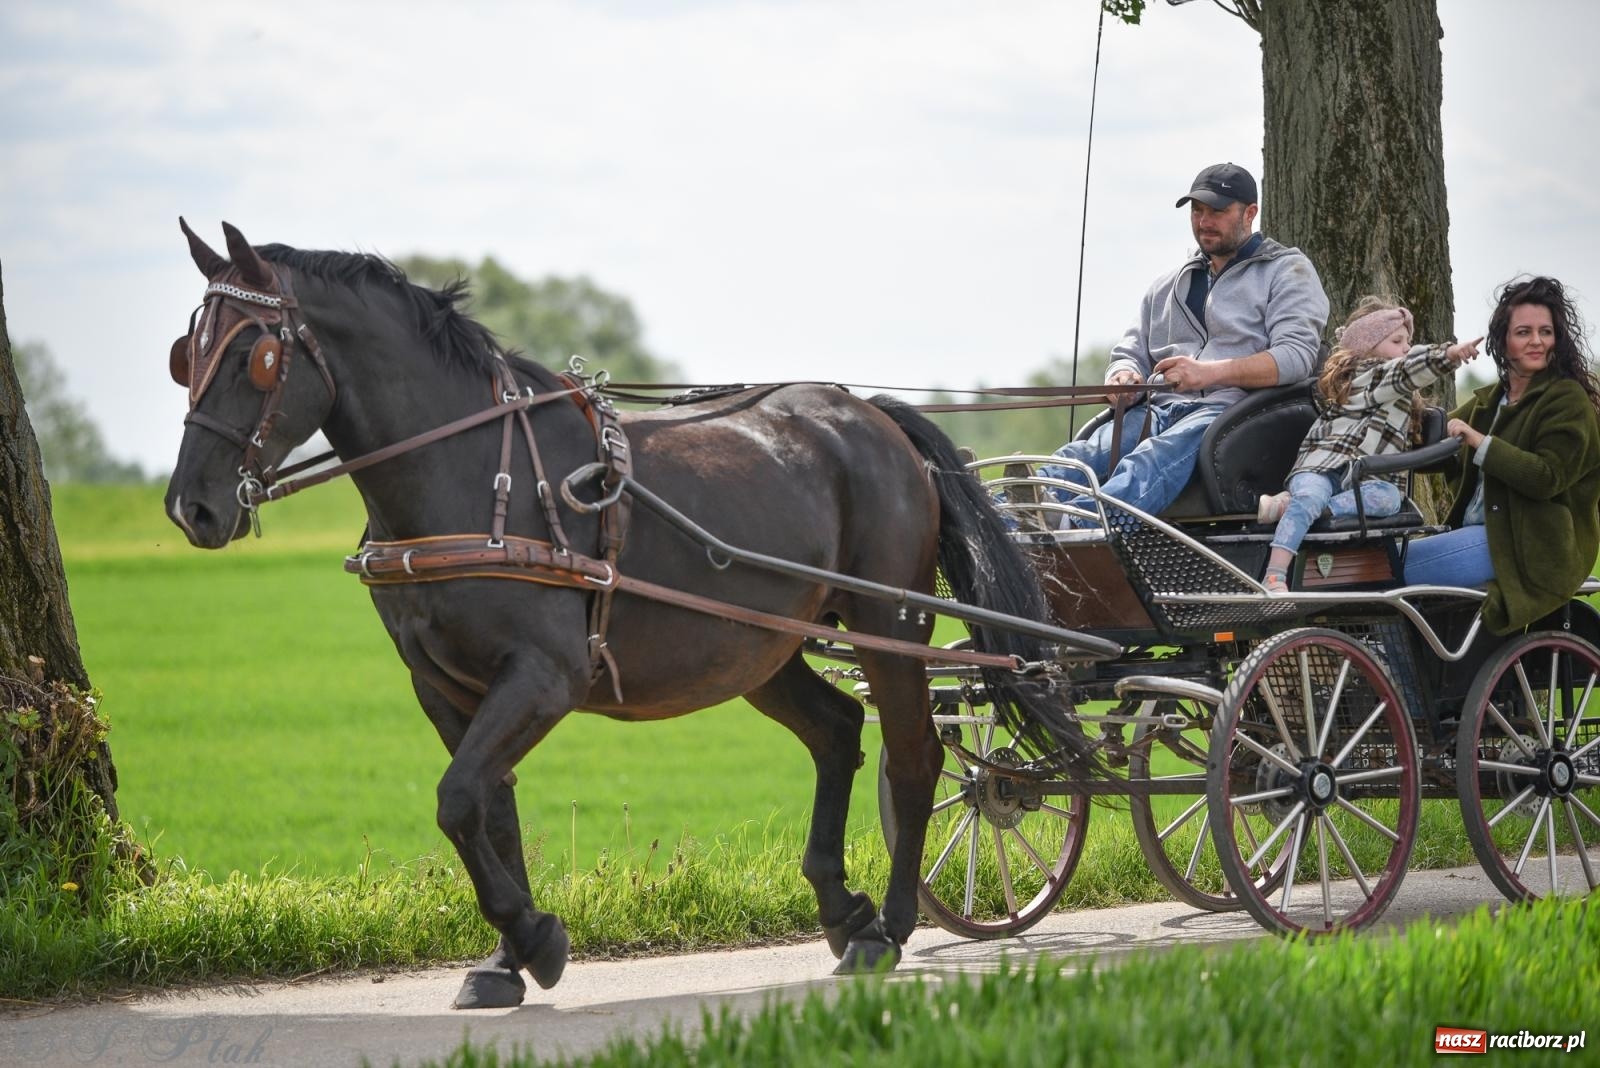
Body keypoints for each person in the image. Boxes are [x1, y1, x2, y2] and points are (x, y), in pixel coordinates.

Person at [1038, 162, 1329, 527]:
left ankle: (1081, 532)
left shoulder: (1287, 272)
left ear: (1250, 213)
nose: (1204, 221)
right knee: (1083, 454)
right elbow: (1130, 351)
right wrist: (1123, 376)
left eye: (1218, 211)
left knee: (1149, 460)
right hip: (1157, 409)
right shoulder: (1166, 285)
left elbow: (1296, 357)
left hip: (1231, 415)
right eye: (1197, 210)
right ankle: (1010, 518)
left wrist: (1208, 374)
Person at [1403, 276, 1600, 634]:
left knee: (1393, 565)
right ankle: (1392, 682)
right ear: (1503, 340)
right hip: (1482, 536)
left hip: (1531, 546)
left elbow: (1547, 478)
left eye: (1546, 331)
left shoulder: (1568, 401)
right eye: (1524, 331)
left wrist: (1479, 442)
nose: (1537, 341)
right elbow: (1432, 443)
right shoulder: (1491, 400)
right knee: (1377, 560)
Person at [1255, 297, 1482, 592]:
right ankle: (1274, 575)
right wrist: (1450, 353)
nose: (1405, 348)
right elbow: (1406, 369)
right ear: (1368, 346)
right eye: (1397, 341)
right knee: (1311, 495)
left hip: (1359, 480)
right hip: (1321, 467)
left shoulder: (1394, 391)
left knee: (1389, 497)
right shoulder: (1370, 375)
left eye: (1408, 341)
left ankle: (1297, 507)